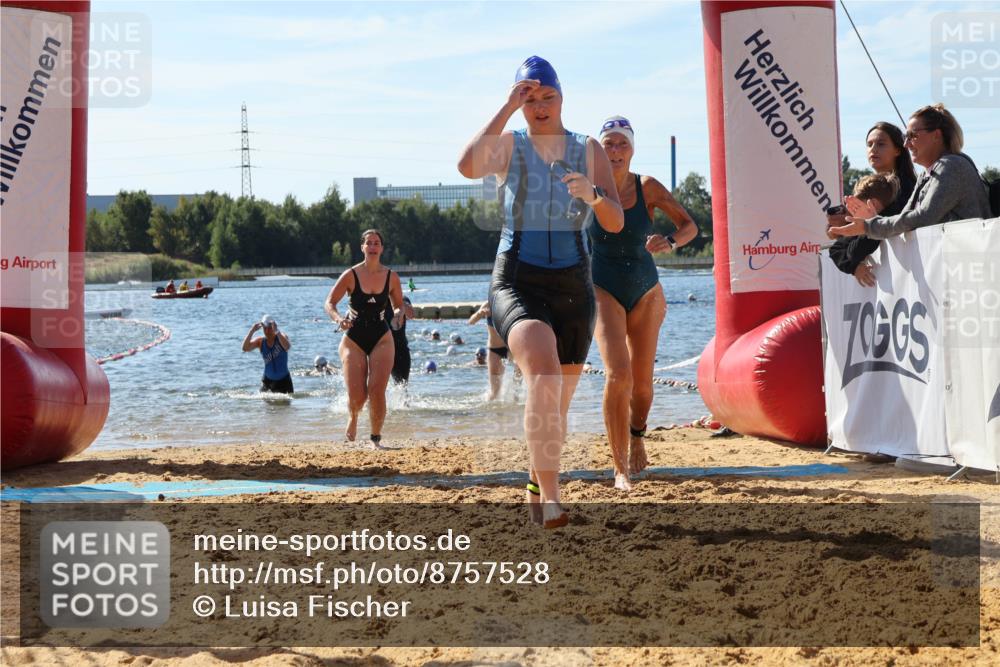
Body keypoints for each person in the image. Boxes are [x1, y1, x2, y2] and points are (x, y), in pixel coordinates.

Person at [458, 55, 623, 528]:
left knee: (555, 406)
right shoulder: (510, 145)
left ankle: (536, 479)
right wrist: (506, 106)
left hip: (574, 284)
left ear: (562, 98)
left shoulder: (587, 148)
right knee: (544, 374)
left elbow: (615, 219)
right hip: (517, 279)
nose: (540, 107)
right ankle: (552, 501)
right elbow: (467, 165)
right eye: (530, 99)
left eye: (547, 97)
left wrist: (591, 195)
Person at [590, 115, 698, 491]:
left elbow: (690, 226)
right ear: (600, 151)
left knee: (643, 388)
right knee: (617, 376)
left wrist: (669, 241)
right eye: (609, 144)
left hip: (646, 290)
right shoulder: (587, 189)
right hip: (602, 287)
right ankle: (619, 467)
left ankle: (638, 435)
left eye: (622, 144)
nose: (616, 151)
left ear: (632, 149)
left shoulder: (647, 186)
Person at [829, 104, 991, 241]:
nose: (906, 144)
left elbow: (922, 217)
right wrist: (870, 221)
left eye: (912, 135)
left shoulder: (952, 165)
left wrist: (868, 225)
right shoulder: (927, 173)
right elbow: (905, 216)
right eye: (906, 137)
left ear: (936, 135)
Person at [324, 229, 404, 449]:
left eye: (376, 243)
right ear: (362, 247)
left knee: (377, 391)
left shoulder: (391, 277)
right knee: (358, 396)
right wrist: (339, 319)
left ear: (381, 248)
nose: (372, 246)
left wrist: (400, 312)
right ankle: (353, 416)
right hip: (353, 339)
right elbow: (329, 303)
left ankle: (375, 437)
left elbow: (398, 304)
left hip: (381, 337)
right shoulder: (351, 274)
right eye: (368, 243)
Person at [827, 122, 917, 285]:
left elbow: (869, 239)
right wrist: (853, 266)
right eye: (869, 144)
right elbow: (837, 250)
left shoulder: (908, 189)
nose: (873, 149)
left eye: (881, 144)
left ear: (898, 149)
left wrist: (865, 228)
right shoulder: (867, 189)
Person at [468, 301, 515, 400]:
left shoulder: (511, 301)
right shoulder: (488, 304)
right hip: (495, 349)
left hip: (511, 348)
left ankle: (516, 405)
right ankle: (491, 412)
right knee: (495, 391)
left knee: (517, 383)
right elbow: (471, 322)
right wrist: (480, 313)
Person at [242, 315, 293, 394]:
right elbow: (245, 348)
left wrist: (277, 331)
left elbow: (287, 347)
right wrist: (252, 331)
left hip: (284, 381)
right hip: (267, 381)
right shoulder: (260, 341)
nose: (267, 331)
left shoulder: (281, 337)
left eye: (269, 328)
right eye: (265, 328)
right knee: (265, 406)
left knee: (285, 406)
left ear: (273, 327)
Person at [386, 295, 415, 385]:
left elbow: (411, 314)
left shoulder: (402, 299)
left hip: (400, 349)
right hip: (380, 349)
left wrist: (398, 301)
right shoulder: (375, 300)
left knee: (402, 386)